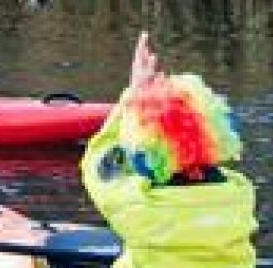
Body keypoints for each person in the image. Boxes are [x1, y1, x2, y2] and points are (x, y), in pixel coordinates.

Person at [81, 32, 256, 268]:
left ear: (143, 143)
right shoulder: (240, 196)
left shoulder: (136, 205)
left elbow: (98, 167)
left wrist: (133, 95)